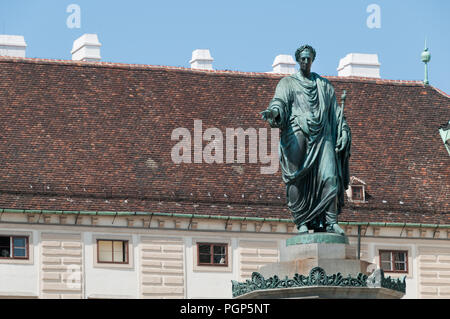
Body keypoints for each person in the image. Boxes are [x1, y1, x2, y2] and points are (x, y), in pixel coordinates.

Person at [261, 44, 351, 235]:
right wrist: (274, 112)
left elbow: (336, 115)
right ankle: (302, 220)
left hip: (323, 137)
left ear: (312, 60)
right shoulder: (287, 84)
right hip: (297, 135)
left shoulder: (324, 86)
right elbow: (279, 103)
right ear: (297, 60)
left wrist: (342, 131)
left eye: (308, 58)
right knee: (296, 180)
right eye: (302, 58)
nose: (305, 61)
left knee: (330, 176)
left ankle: (331, 221)